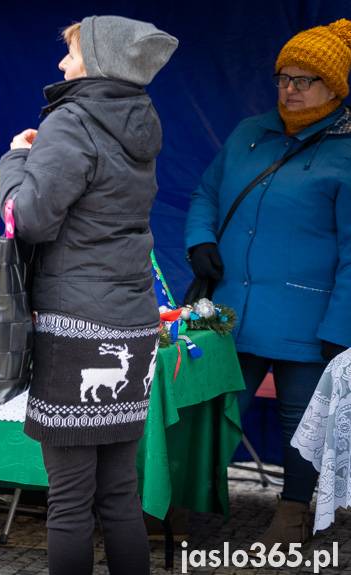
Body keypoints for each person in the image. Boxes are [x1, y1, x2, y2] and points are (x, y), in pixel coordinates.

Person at [0, 15, 178, 575]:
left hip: (77, 324)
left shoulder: (72, 121)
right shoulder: (141, 122)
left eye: (72, 54)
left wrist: (15, 160)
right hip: (132, 321)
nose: (61, 64)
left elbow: (28, 220)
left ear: (99, 62)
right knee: (119, 493)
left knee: (71, 501)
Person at [185, 19, 351, 547]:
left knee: (301, 421)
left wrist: (340, 328)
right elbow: (206, 194)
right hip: (231, 309)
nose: (289, 89)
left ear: (335, 87)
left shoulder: (348, 150)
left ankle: (294, 511)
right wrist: (200, 240)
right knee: (212, 410)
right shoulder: (248, 133)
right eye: (283, 77)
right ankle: (187, 500)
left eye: (304, 80)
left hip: (310, 318)